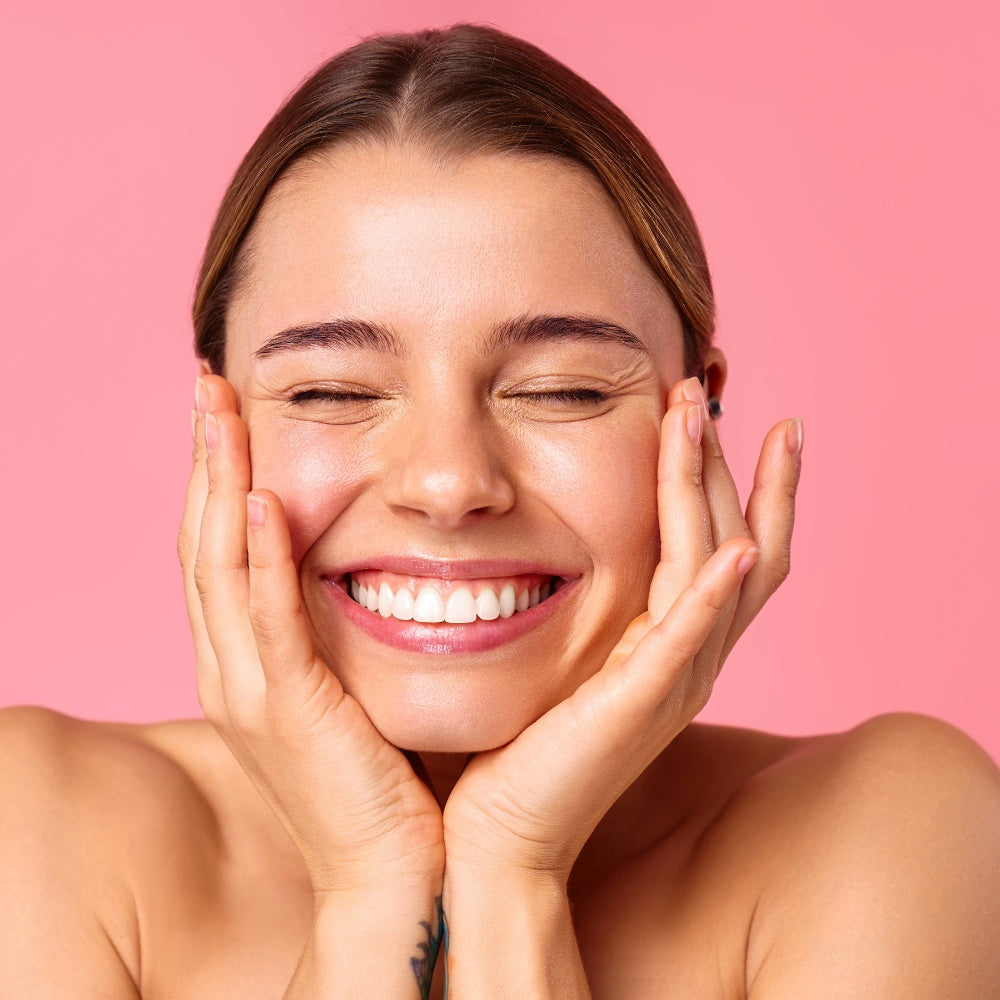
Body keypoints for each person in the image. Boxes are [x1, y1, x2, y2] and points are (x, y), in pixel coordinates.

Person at [2, 23, 998, 999]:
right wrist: (368, 884)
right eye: (333, 392)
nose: (447, 482)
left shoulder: (887, 830)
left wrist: (512, 870)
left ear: (697, 418)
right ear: (213, 428)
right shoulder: (40, 829)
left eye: (558, 387)